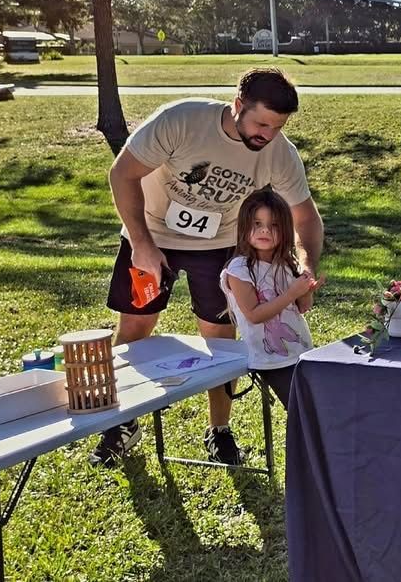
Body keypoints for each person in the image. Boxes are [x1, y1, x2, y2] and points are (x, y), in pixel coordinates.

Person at [92, 68, 324, 466]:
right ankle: (123, 424)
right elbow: (122, 173)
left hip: (219, 247)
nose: (267, 135)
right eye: (261, 123)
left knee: (220, 341)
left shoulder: (279, 152)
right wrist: (142, 244)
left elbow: (306, 216)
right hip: (150, 235)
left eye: (277, 126)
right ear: (237, 106)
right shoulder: (181, 120)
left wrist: (306, 266)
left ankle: (219, 429)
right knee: (134, 330)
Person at [221, 188, 321, 409]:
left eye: (274, 225)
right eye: (257, 223)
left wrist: (306, 292)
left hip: (300, 351)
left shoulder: (285, 263)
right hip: (270, 358)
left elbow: (302, 308)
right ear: (244, 226)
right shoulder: (239, 269)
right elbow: (254, 315)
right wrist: (291, 293)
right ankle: (302, 444)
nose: (265, 230)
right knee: (301, 410)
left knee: (316, 406)